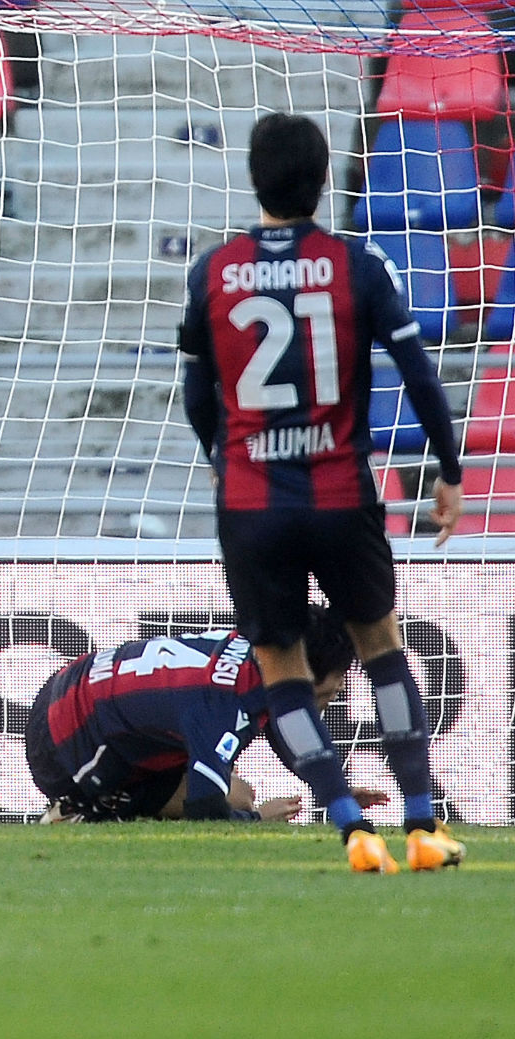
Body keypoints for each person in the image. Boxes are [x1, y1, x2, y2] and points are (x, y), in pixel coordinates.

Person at [179, 112, 467, 872]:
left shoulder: (213, 271)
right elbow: (419, 376)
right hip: (340, 494)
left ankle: (348, 824)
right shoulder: (358, 265)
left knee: (282, 668)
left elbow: (196, 391)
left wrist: (220, 454)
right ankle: (421, 822)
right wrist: (449, 470)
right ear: (324, 176)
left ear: (252, 176)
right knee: (381, 649)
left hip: (251, 504)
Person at [27, 608, 384, 824]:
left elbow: (281, 720)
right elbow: (206, 808)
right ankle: (87, 808)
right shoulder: (223, 706)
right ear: (302, 674)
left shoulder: (257, 652)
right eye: (329, 688)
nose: (334, 693)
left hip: (65, 687)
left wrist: (332, 787)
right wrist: (257, 819)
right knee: (236, 799)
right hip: (62, 748)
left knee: (231, 787)